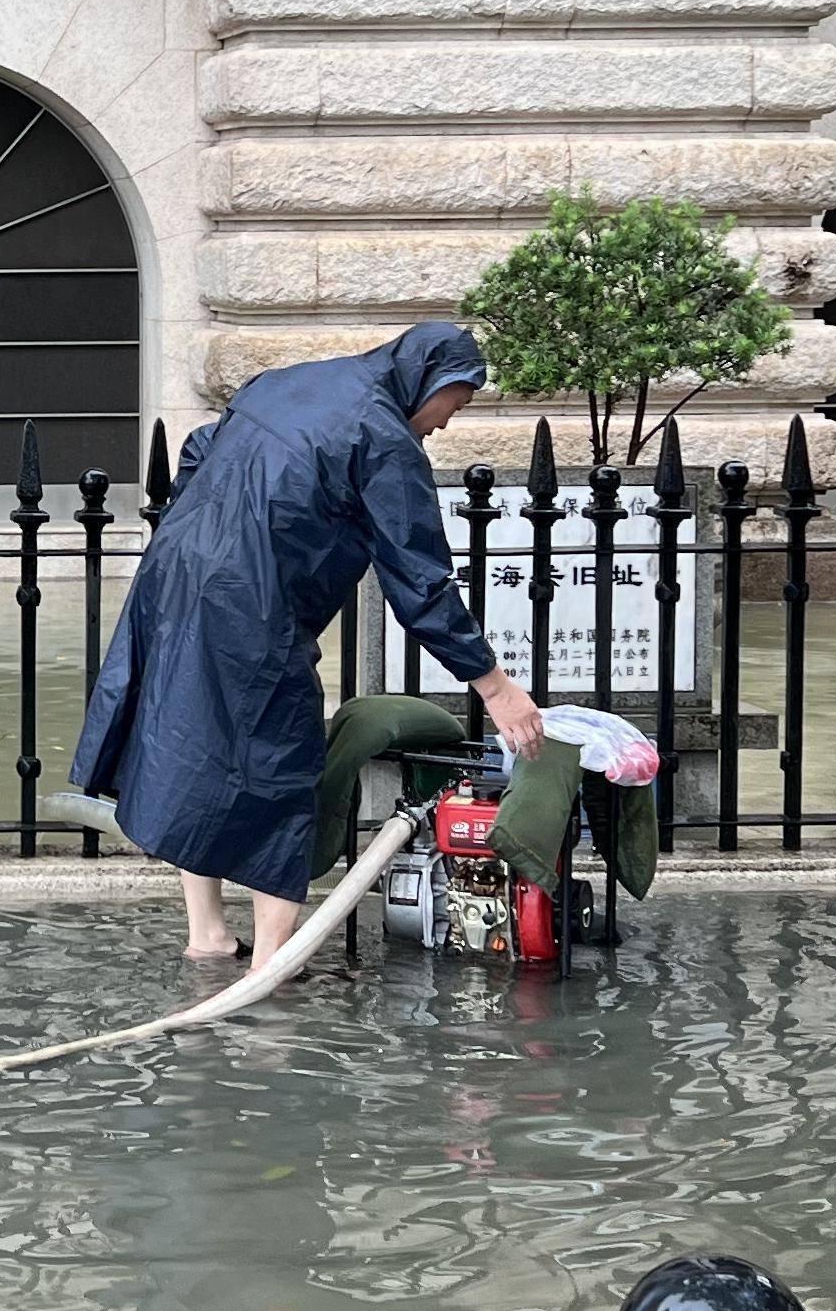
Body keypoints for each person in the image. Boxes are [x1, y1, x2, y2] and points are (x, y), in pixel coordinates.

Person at [68, 322, 542, 966]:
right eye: (453, 405)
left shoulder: (288, 382)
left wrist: (211, 520)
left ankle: (207, 935)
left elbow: (202, 446)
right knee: (281, 757)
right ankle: (271, 957)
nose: (444, 425)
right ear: (432, 381)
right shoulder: (382, 435)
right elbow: (419, 581)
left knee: (188, 734)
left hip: (176, 572)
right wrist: (495, 685)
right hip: (251, 602)